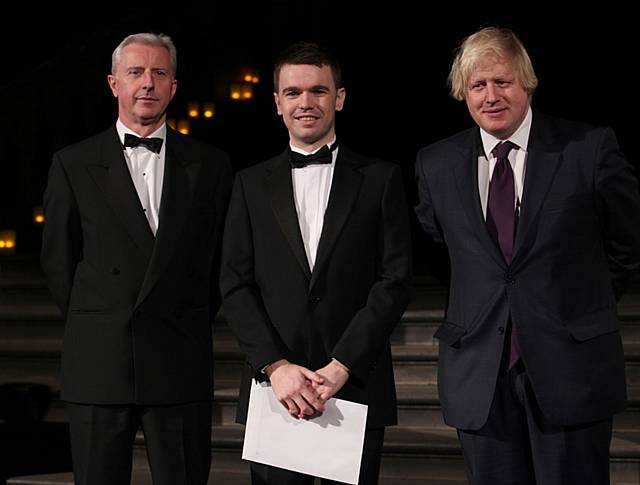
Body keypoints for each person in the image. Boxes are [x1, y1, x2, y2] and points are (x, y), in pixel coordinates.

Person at [414, 26, 640, 484]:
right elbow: (438, 251)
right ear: (463, 93)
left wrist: (576, 306)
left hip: (570, 367)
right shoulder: (434, 163)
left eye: (503, 82)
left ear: (527, 83)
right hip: (480, 372)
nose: (491, 95)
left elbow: (628, 243)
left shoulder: (588, 148)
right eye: (478, 85)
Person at [41, 32, 232, 485]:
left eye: (159, 73)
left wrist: (179, 314)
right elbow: (58, 264)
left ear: (173, 87)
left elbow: (220, 263)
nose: (147, 83)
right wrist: (105, 316)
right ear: (114, 84)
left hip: (178, 356)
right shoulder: (72, 163)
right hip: (100, 361)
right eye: (135, 73)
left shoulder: (211, 164)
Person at [220, 41, 412, 484]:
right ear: (277, 103)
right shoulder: (249, 184)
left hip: (355, 383)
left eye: (318, 91)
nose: (306, 103)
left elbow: (395, 280)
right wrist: (277, 366)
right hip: (276, 390)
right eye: (293, 92)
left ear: (339, 98)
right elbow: (234, 283)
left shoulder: (381, 179)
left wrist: (342, 364)